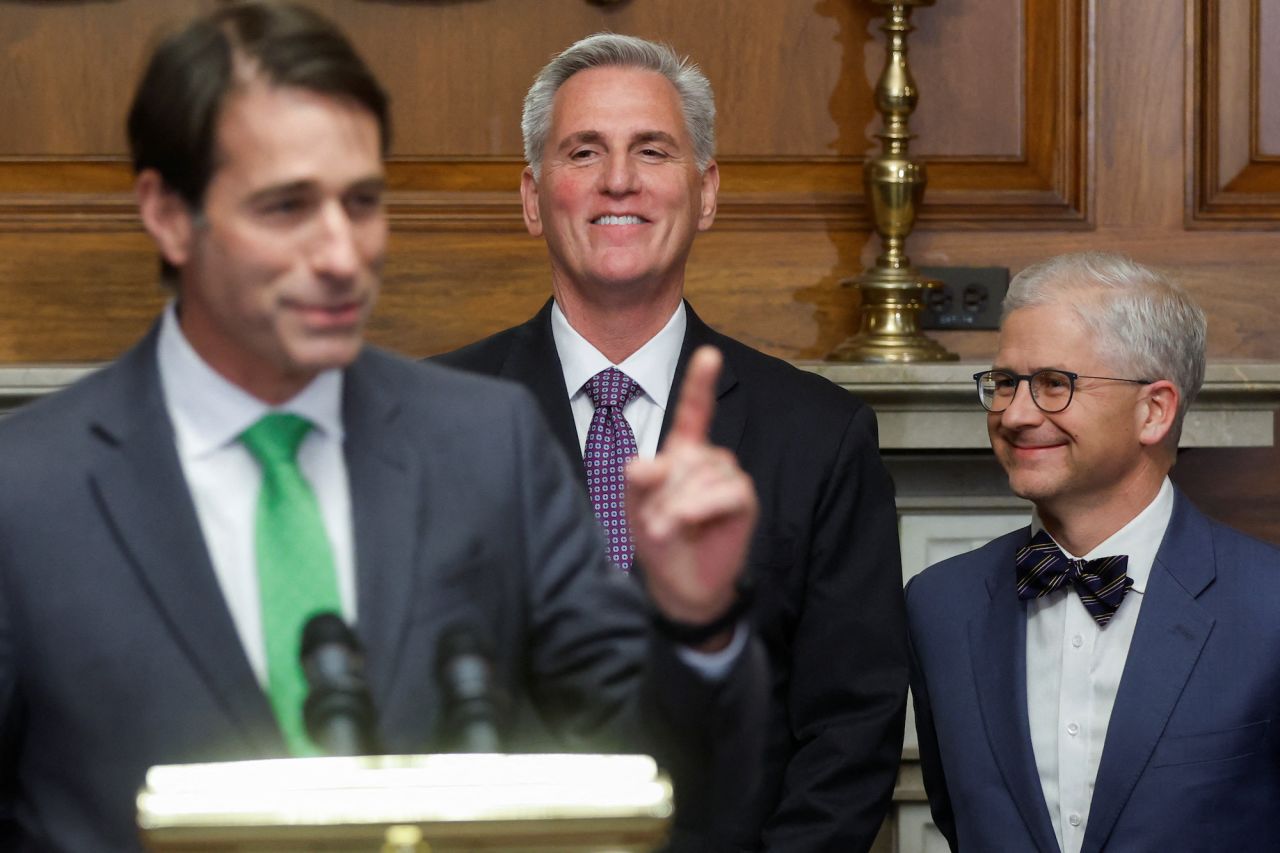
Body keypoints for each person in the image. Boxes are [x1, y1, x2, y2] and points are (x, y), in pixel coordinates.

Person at [0, 5, 768, 850]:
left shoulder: (486, 446)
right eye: (287, 207)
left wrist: (694, 622)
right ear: (170, 214)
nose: (340, 254)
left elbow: (649, 787)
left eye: (360, 202)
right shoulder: (26, 493)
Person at [437, 33, 907, 851]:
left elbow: (849, 733)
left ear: (707, 190)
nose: (618, 179)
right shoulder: (435, 420)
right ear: (531, 194)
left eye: (651, 150)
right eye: (584, 151)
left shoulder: (820, 437)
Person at [906, 252, 1280, 852]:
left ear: (1154, 410)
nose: (1016, 414)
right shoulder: (939, 604)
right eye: (1005, 383)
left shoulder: (1268, 607)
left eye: (1056, 384)